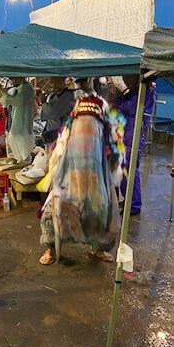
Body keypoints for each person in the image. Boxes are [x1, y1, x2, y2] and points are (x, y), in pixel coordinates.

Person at [37, 95, 124, 265]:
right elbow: (58, 152)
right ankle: (51, 248)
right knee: (54, 209)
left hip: (97, 175)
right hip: (69, 173)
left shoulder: (106, 130)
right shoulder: (68, 129)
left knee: (105, 212)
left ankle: (97, 248)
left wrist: (112, 167)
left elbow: (113, 154)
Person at [116, 75, 156, 215]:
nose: (124, 80)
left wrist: (121, 96)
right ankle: (127, 199)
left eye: (127, 77)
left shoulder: (145, 91)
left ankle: (134, 205)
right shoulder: (133, 91)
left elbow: (132, 108)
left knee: (131, 168)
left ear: (135, 77)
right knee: (124, 168)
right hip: (127, 134)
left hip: (134, 135)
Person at [38, 78, 75, 148]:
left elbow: (53, 113)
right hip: (52, 132)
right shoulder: (54, 95)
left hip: (59, 134)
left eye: (55, 82)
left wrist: (43, 102)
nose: (53, 84)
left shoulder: (67, 95)